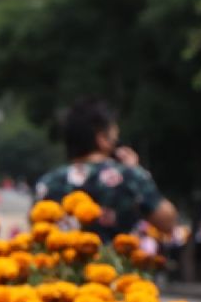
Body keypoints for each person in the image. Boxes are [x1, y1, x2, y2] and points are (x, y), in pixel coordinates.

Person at [35, 99, 178, 239]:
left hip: (65, 261)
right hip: (116, 261)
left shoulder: (49, 182)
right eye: (116, 138)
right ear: (102, 139)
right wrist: (137, 172)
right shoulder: (129, 176)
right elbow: (168, 221)